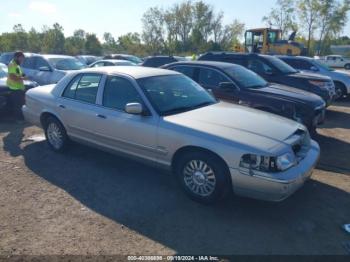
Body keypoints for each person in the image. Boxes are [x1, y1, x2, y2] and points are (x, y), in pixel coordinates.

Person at [7, 51, 27, 120]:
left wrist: (23, 75)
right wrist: (23, 78)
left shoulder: (16, 64)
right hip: (15, 88)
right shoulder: (12, 65)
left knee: (19, 104)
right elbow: (12, 77)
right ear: (16, 57)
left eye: (23, 58)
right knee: (17, 105)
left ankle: (19, 118)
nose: (22, 60)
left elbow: (17, 73)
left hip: (18, 88)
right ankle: (18, 119)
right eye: (21, 58)